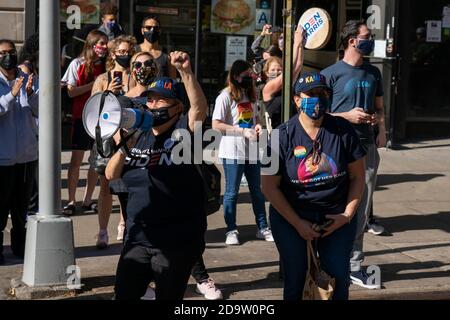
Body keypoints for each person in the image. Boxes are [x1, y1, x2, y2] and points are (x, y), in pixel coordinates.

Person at [106, 51, 208, 300]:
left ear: (177, 108)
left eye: (161, 101)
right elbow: (111, 174)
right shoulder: (138, 135)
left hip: (176, 240)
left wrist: (185, 72)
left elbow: (199, 108)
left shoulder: (184, 133)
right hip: (139, 237)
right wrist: (126, 143)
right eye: (150, 100)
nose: (153, 105)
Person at [261, 72, 366, 300]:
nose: (317, 100)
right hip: (291, 217)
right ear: (297, 100)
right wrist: (298, 223)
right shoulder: (280, 136)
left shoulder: (343, 130)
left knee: (338, 279)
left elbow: (358, 177)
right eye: (311, 94)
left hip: (336, 217)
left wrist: (347, 215)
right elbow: (268, 188)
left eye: (322, 94)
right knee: (296, 282)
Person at [321, 20, 387, 289]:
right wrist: (345, 115)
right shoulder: (330, 74)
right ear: (352, 41)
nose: (370, 39)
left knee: (360, 209)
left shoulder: (374, 73)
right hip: (336, 148)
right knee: (331, 204)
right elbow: (314, 115)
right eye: (367, 36)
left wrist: (381, 128)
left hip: (366, 147)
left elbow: (380, 107)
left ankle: (354, 264)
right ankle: (326, 261)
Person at [212, 59, 273, 246]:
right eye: (246, 76)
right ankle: (231, 229)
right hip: (232, 152)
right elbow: (216, 124)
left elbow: (255, 119)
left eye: (251, 76)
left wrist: (258, 127)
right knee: (231, 192)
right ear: (236, 76)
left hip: (252, 151)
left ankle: (262, 227)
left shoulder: (252, 95)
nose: (249, 79)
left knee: (257, 191)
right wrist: (240, 131)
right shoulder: (225, 96)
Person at [90, 35, 137, 249]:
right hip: (108, 138)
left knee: (126, 185)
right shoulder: (102, 78)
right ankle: (102, 231)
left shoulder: (136, 77)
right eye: (121, 51)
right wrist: (109, 91)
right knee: (106, 185)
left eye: (128, 51)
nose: (125, 55)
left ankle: (123, 223)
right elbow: (92, 112)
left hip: (130, 137)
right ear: (113, 54)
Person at [0, 39, 39, 265]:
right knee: (1, 206)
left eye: (11, 52)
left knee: (21, 209)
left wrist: (31, 93)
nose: (8, 56)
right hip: (3, 158)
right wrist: (12, 94)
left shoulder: (27, 79)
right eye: (3, 53)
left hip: (26, 156)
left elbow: (39, 111)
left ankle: (20, 248)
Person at [61, 30, 108, 216]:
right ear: (91, 44)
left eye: (106, 43)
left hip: (102, 119)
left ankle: (88, 199)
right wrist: (95, 84)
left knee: (95, 162)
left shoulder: (106, 65)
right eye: (101, 43)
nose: (104, 47)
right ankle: (72, 200)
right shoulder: (77, 63)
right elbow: (71, 91)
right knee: (76, 160)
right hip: (81, 117)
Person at [262, 25, 305, 131]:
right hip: (276, 133)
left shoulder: (286, 84)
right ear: (266, 73)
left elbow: (298, 65)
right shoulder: (268, 88)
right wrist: (296, 43)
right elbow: (286, 74)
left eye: (279, 70)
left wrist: (301, 45)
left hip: (290, 129)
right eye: (272, 70)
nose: (276, 72)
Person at [18, 33, 40, 216]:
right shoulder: (26, 69)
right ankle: (29, 210)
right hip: (30, 129)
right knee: (30, 175)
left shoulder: (37, 68)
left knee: (34, 173)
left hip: (36, 127)